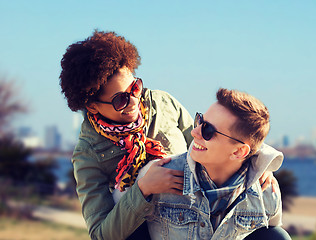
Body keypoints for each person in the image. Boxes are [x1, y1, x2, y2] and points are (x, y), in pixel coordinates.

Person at [59, 30, 279, 240]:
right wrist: (143, 189)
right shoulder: (88, 154)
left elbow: (211, 143)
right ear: (93, 106)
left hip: (198, 216)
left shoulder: (163, 104)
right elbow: (101, 234)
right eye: (120, 100)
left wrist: (256, 166)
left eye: (135, 88)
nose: (135, 101)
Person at [115, 88, 291, 240]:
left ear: (239, 152)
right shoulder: (158, 176)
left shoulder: (266, 191)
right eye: (200, 120)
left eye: (208, 130)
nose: (194, 132)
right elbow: (116, 229)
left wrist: (262, 167)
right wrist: (142, 189)